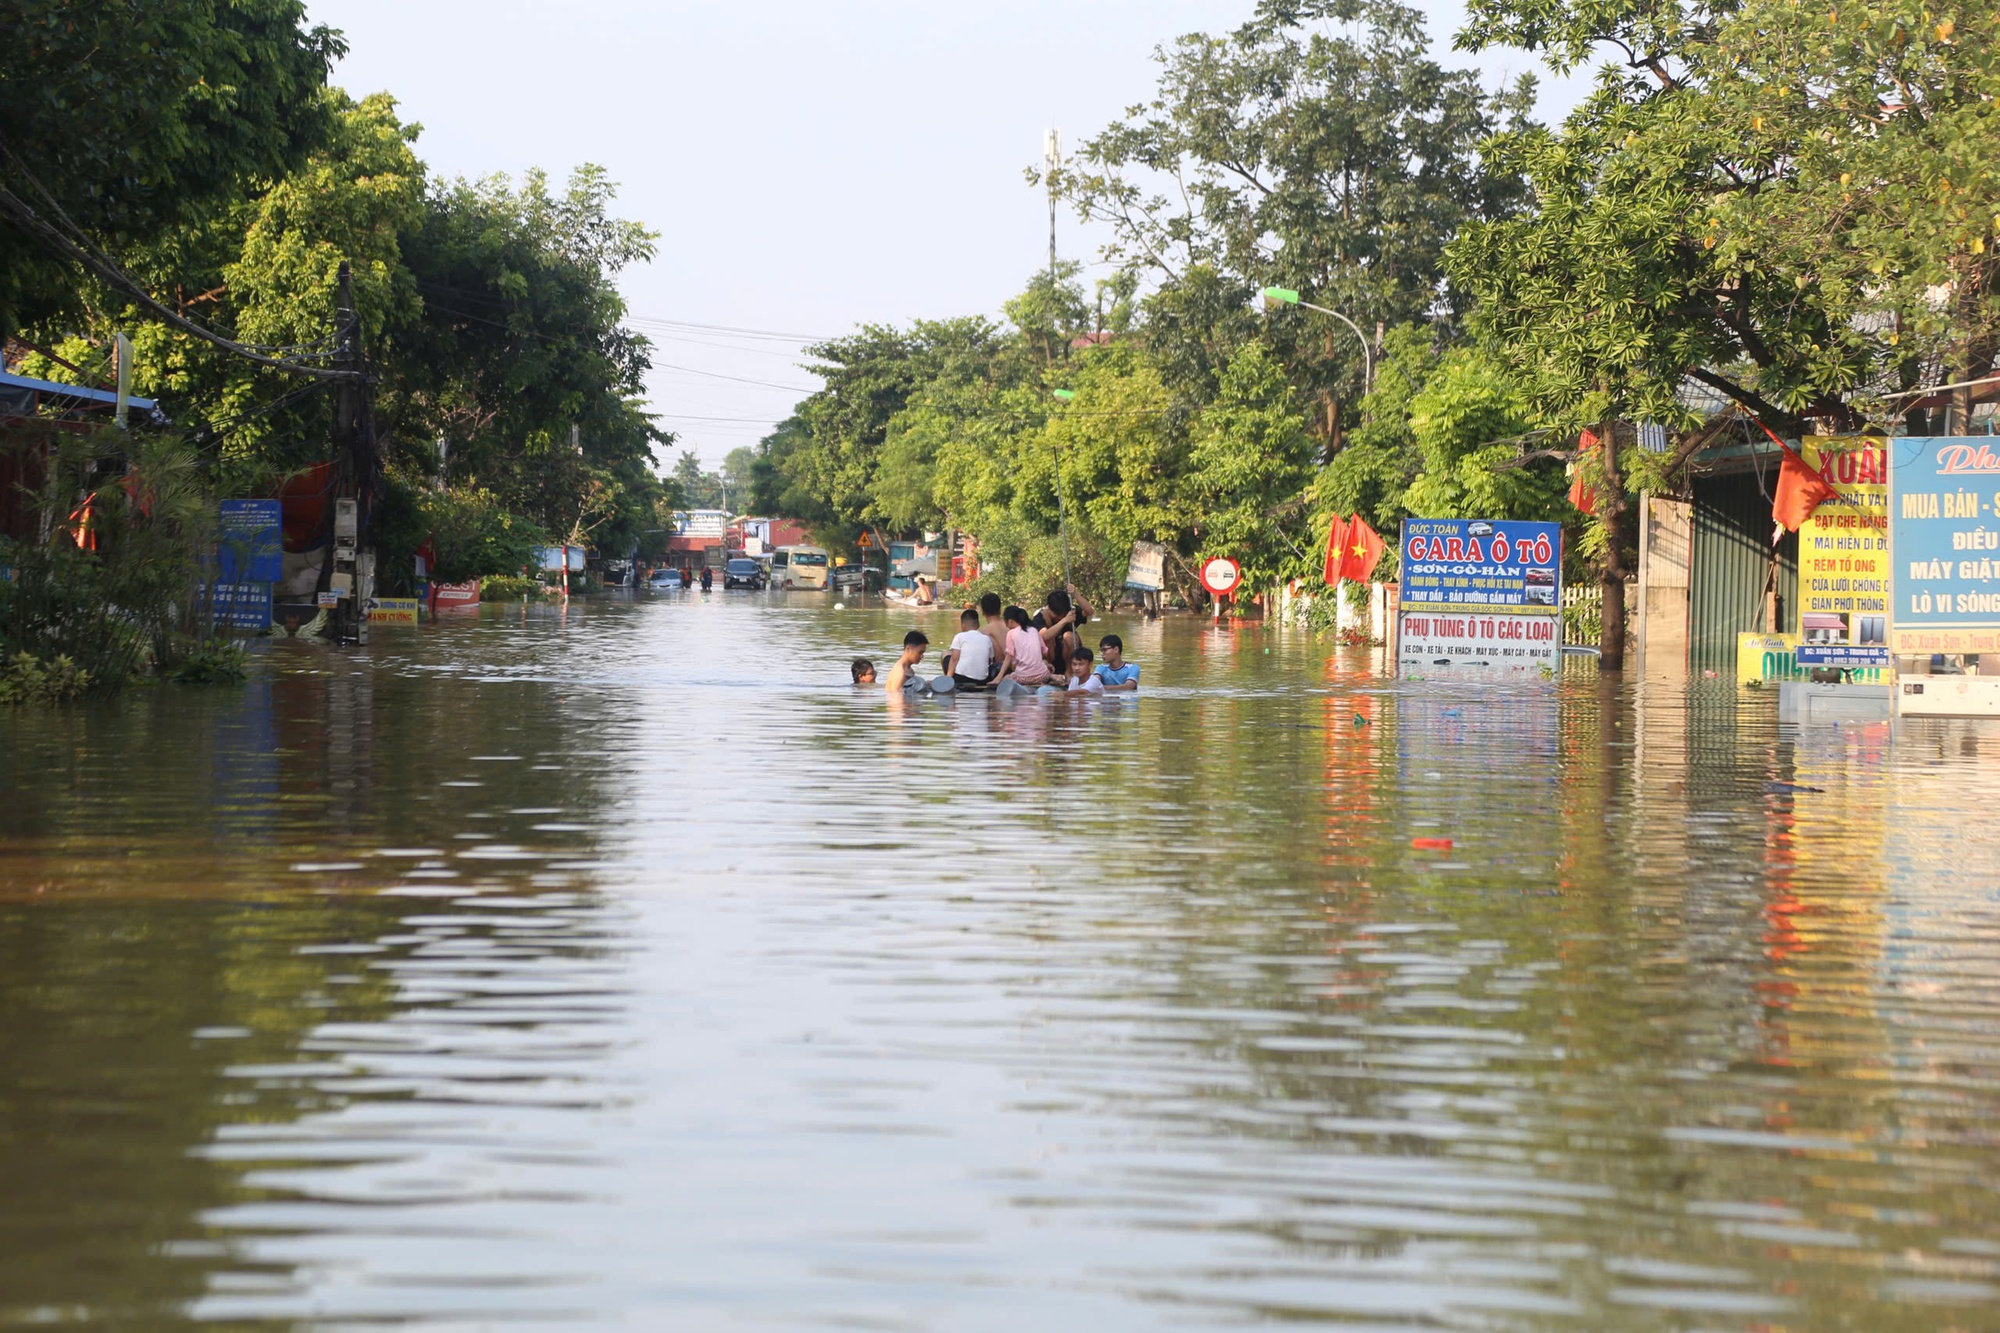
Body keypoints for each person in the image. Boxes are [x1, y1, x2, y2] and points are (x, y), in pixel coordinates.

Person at [997, 606, 1053, 690]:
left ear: (1010, 621)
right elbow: (1044, 652)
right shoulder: (1034, 630)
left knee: (1007, 678)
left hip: (1023, 678)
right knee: (1044, 663)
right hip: (1043, 676)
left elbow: (1008, 657)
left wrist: (999, 677)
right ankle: (1051, 676)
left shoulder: (1011, 633)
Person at [944, 608, 994, 691]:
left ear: (963, 625)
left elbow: (954, 659)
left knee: (945, 654)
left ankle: (948, 680)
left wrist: (948, 677)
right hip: (982, 680)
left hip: (962, 679)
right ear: (978, 625)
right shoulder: (987, 639)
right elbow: (989, 660)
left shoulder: (959, 636)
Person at [977, 592, 1007, 678]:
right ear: (1000, 610)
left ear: (983, 612)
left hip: (998, 669)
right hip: (1015, 667)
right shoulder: (1010, 626)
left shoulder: (985, 631)